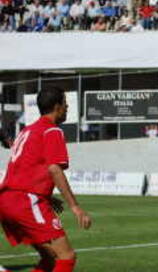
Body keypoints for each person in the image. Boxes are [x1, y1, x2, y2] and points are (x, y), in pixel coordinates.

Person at [0, 87, 92, 272]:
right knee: (66, 256)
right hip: (26, 201)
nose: (67, 107)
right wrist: (75, 206)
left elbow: (25, 167)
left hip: (7, 199)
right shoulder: (51, 131)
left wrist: (46, 196)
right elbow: (54, 169)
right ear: (57, 107)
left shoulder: (28, 131)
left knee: (50, 259)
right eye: (65, 104)